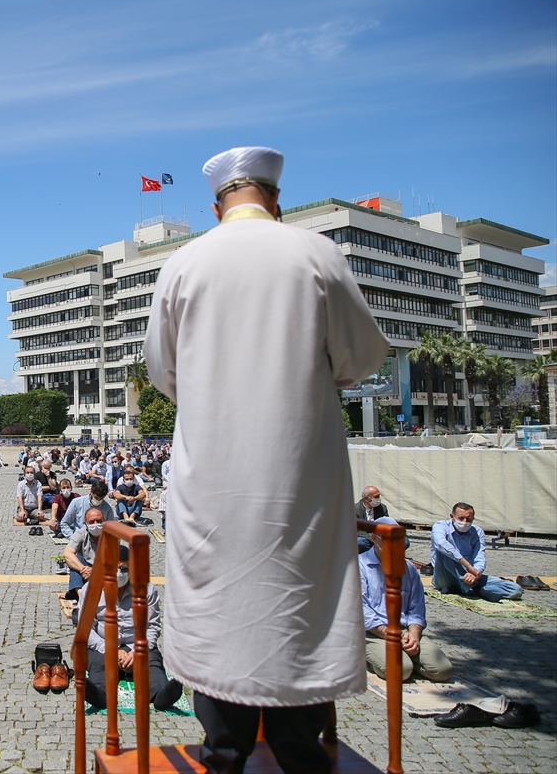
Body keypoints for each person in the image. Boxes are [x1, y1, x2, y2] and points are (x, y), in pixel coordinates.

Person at [142, 146, 390, 774]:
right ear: (274, 198)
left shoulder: (183, 262)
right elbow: (361, 358)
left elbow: (163, 373)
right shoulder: (317, 253)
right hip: (299, 479)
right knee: (297, 608)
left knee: (220, 615)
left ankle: (222, 749)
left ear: (216, 204)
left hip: (213, 482)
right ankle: (298, 749)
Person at [76, 552, 183, 711]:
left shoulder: (147, 589)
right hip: (104, 644)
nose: (119, 574)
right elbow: (85, 629)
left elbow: (153, 626)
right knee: (99, 664)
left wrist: (136, 651)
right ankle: (100, 695)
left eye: (124, 569)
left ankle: (161, 695)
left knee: (152, 664)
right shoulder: (90, 590)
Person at [360, 518, 451, 682]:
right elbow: (362, 611)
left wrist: (414, 634)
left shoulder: (408, 568)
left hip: (403, 630)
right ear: (374, 537)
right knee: (401, 670)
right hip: (371, 631)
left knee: (442, 670)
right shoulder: (359, 566)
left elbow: (416, 608)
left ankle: (404, 655)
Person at [430, 502, 522, 602]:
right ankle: (475, 588)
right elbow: (440, 543)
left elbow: (479, 556)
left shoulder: (477, 532)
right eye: (461, 518)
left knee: (515, 590)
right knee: (446, 551)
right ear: (452, 517)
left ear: (473, 519)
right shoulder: (440, 526)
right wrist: (469, 566)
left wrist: (474, 573)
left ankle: (461, 589)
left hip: (469, 576)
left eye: (468, 519)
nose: (465, 522)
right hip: (445, 576)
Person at [62, 507, 104, 596]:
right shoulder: (81, 532)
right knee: (75, 559)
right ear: (86, 523)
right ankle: (81, 594)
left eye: (99, 521)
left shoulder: (113, 534)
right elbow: (67, 553)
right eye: (92, 522)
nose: (96, 524)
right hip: (86, 572)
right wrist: (84, 570)